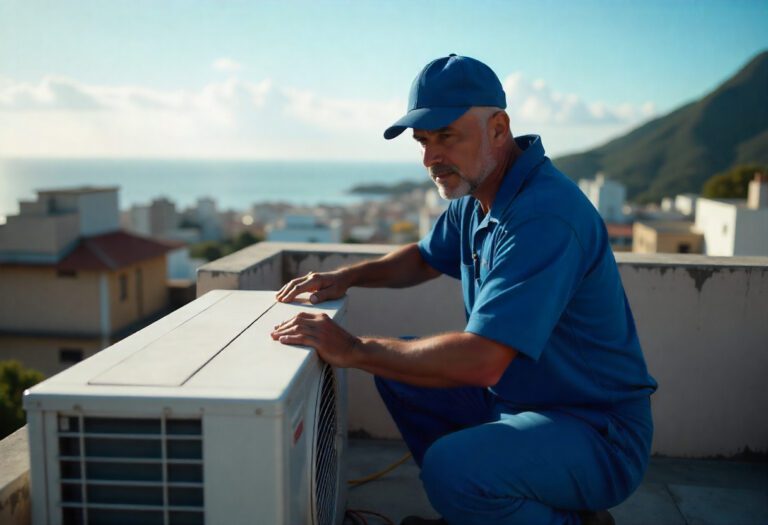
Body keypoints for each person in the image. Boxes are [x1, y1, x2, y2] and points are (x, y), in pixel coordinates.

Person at [271, 54, 657, 525]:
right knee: (401, 369)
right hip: (517, 405)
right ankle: (486, 509)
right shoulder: (477, 195)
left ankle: (574, 520)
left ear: (499, 128)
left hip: (597, 432)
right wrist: (348, 277)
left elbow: (482, 360)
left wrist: (353, 347)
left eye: (447, 136)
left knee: (451, 470)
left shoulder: (543, 216)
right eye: (423, 141)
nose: (432, 157)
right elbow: (423, 257)